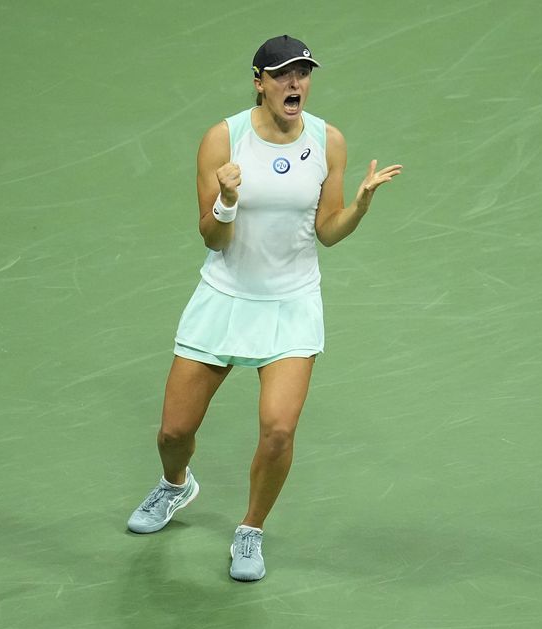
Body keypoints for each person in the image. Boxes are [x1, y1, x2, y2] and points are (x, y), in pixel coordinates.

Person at [126, 35, 403, 582]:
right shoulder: (221, 139)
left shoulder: (329, 141)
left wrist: (360, 206)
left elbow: (327, 231)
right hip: (224, 297)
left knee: (278, 430)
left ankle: (250, 529)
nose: (294, 83)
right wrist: (227, 198)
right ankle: (176, 485)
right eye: (281, 74)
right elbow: (211, 237)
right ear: (259, 82)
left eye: (302, 73)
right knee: (172, 433)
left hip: (292, 303)